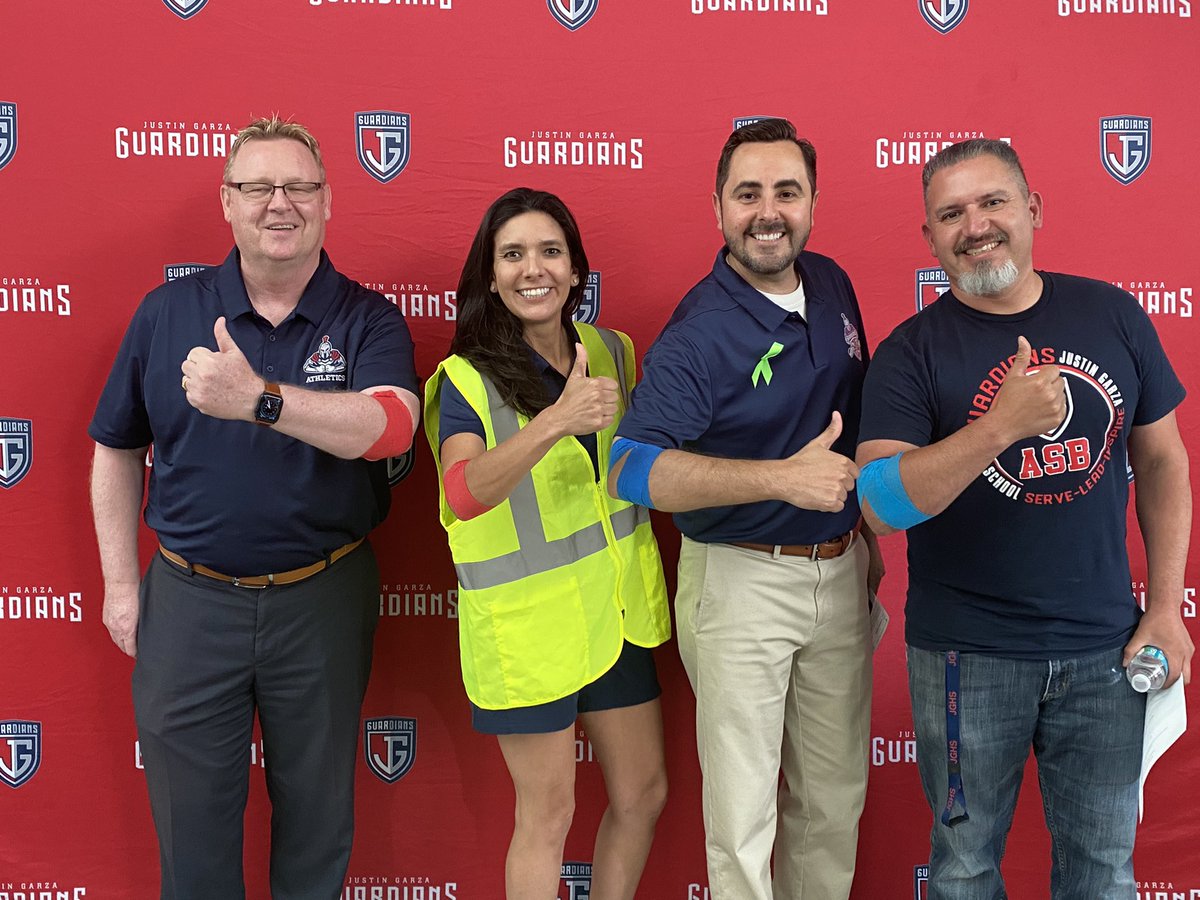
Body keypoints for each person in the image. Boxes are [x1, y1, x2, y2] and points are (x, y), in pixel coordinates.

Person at [89, 116, 420, 900]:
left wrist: (257, 401)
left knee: (316, 831)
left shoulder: (366, 317)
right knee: (192, 837)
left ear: (329, 201)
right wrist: (121, 587)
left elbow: (391, 426)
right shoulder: (166, 313)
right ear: (227, 204)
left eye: (300, 186)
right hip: (189, 602)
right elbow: (113, 449)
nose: (281, 203)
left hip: (323, 599)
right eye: (258, 187)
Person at [855, 138, 1193, 900]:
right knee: (965, 873)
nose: (975, 225)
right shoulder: (912, 352)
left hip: (1106, 652)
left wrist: (1166, 610)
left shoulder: (1112, 314)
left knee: (1103, 873)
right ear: (930, 238)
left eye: (992, 202)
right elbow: (877, 505)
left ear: (1032, 209)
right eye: (951, 213)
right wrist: (996, 428)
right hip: (964, 660)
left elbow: (1165, 463)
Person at [608, 118, 882, 900]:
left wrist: (864, 539)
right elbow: (630, 468)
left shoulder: (831, 283)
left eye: (787, 192)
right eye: (748, 193)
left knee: (832, 806)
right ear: (718, 208)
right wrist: (777, 480)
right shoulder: (701, 332)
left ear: (814, 203)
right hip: (740, 585)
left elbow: (850, 430)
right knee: (742, 822)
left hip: (839, 572)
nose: (768, 212)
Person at [422, 188, 672, 900]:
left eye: (550, 251)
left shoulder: (614, 351)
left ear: (575, 269)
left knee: (644, 794)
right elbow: (464, 494)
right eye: (513, 254)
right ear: (491, 274)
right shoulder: (467, 376)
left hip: (616, 616)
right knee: (547, 814)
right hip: (529, 633)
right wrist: (554, 422)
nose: (534, 269)